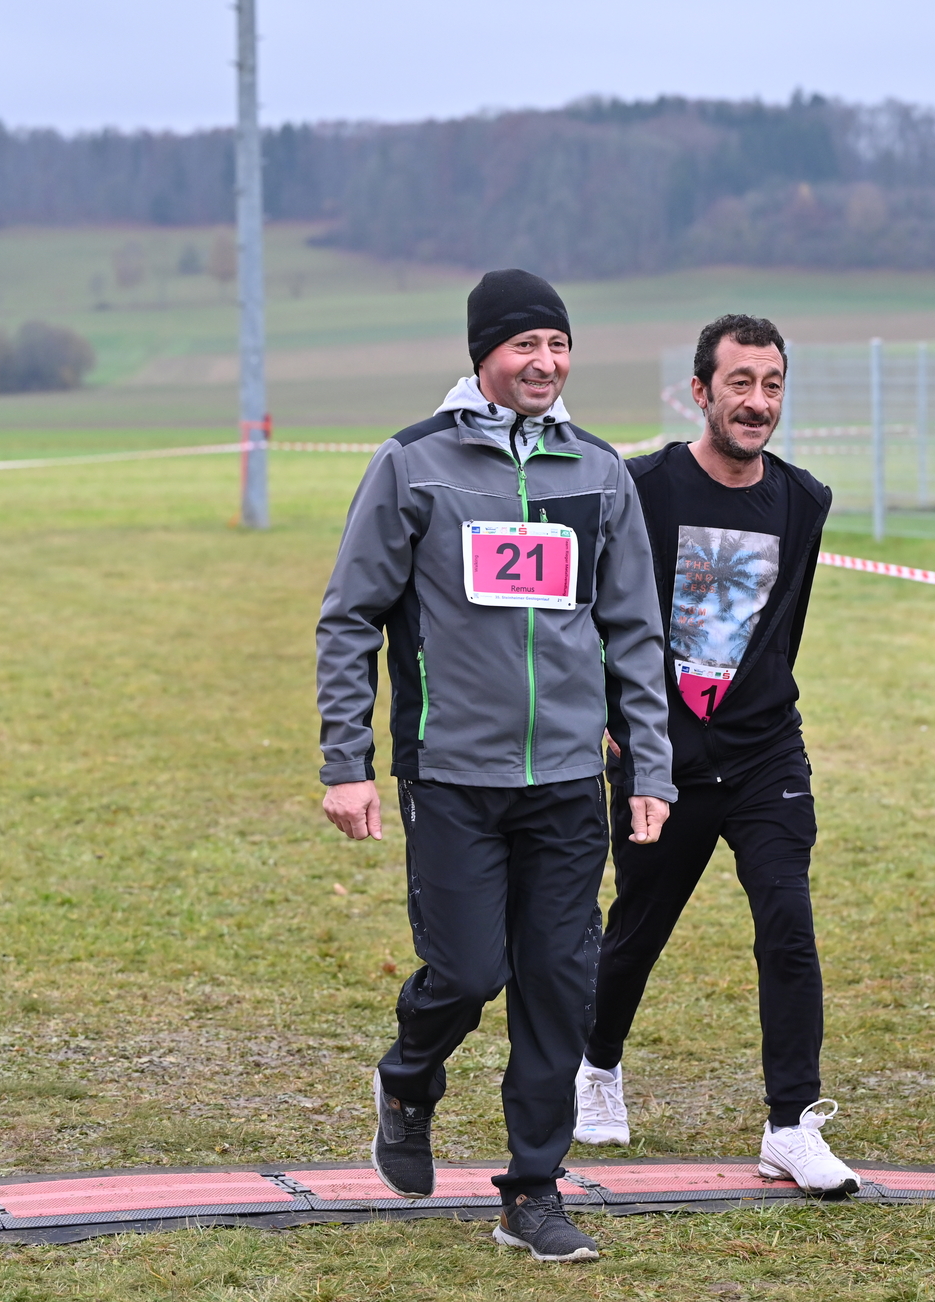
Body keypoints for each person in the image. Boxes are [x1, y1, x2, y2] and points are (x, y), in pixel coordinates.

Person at [315, 268, 677, 1263]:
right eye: (526, 345)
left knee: (559, 983)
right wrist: (346, 761)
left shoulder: (598, 472)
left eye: (558, 345)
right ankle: (408, 1079)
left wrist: (649, 767)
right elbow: (349, 618)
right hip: (452, 775)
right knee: (470, 971)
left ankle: (532, 1190)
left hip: (566, 779)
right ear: (483, 354)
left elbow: (635, 630)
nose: (545, 363)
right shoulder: (413, 465)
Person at [571, 314, 858, 1196]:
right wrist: (620, 723)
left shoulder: (804, 501)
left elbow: (783, 629)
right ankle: (598, 1065)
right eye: (740, 383)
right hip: (663, 754)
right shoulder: (642, 487)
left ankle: (790, 1125)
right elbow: (597, 611)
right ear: (700, 391)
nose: (757, 402)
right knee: (639, 926)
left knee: (789, 924)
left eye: (772, 385)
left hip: (766, 751)